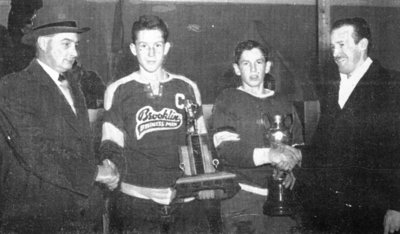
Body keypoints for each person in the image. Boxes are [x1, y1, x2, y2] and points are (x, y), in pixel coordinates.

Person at [0, 20, 119, 233]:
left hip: (79, 215)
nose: (74, 52)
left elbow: (79, 146)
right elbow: (37, 152)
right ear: (43, 43)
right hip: (36, 219)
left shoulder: (74, 86)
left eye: (76, 44)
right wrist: (96, 173)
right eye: (66, 44)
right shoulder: (13, 86)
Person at [99, 15, 214, 233]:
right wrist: (110, 166)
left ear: (167, 47)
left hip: (185, 202)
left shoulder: (188, 87)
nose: (151, 53)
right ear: (133, 49)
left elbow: (200, 141)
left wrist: (204, 181)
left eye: (157, 45)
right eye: (144, 46)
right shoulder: (118, 89)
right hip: (137, 202)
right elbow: (111, 143)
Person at [297, 17, 400, 233]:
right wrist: (296, 155)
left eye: (342, 45)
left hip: (375, 213)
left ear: (362, 45)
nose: (335, 53)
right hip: (333, 211)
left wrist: (396, 205)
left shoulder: (391, 85)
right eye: (333, 46)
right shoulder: (332, 87)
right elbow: (325, 144)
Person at [210, 40, 303, 233]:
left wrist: (293, 167)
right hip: (242, 198)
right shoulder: (227, 99)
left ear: (268, 66)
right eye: (246, 63)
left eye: (259, 62)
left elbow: (298, 146)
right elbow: (227, 151)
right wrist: (269, 155)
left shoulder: (284, 102)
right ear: (237, 69)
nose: (253, 69)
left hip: (284, 200)